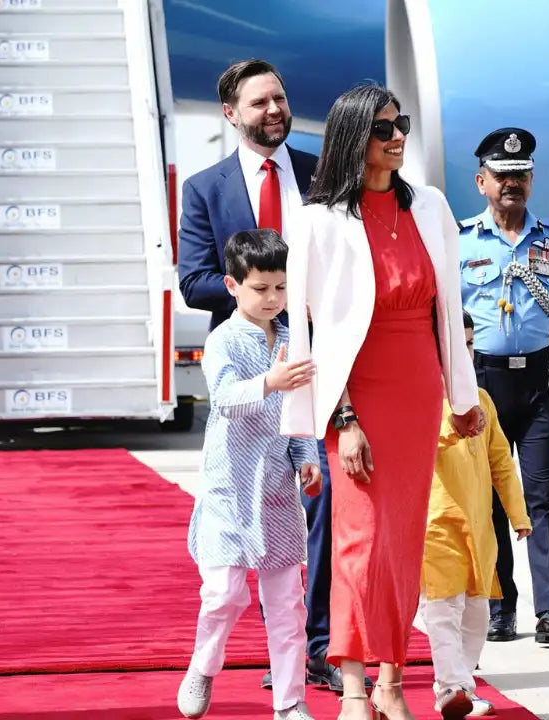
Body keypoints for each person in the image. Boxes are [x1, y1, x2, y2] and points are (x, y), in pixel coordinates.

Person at [279, 83, 484, 720]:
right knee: (358, 540)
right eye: (384, 129)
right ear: (353, 138)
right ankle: (353, 689)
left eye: (402, 126)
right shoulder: (316, 220)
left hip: (417, 387)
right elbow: (310, 328)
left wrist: (461, 395)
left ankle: (392, 684)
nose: (398, 138)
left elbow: (448, 310)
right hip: (355, 393)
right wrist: (342, 417)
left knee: (401, 541)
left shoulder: (431, 206)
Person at [175, 58, 339, 693]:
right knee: (251, 536)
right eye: (259, 102)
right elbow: (194, 281)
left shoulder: (322, 174)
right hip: (252, 361)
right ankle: (262, 654)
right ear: (230, 113)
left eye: (280, 98)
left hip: (324, 356)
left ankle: (316, 647)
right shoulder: (205, 189)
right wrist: (260, 292)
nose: (274, 110)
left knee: (323, 500)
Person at [176, 229, 322, 720]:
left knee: (287, 605)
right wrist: (269, 382)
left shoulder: (293, 339)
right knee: (222, 594)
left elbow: (299, 409)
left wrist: (306, 458)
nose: (273, 298)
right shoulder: (222, 340)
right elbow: (224, 400)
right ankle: (203, 666)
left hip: (278, 490)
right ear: (232, 285)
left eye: (281, 287)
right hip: (230, 489)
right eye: (261, 288)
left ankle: (290, 702)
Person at [458, 127, 549, 645]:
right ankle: (499, 607)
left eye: (521, 175)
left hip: (540, 382)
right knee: (488, 497)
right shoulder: (461, 242)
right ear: (482, 182)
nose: (512, 183)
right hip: (483, 381)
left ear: (531, 180)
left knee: (544, 498)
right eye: (502, 175)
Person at [419, 312, 533, 719]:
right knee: (442, 609)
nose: (464, 353)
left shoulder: (482, 399)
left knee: (477, 614)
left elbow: (501, 461)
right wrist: (453, 425)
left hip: (480, 529)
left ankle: (461, 686)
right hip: (436, 525)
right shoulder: (420, 397)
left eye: (469, 344)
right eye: (456, 344)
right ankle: (452, 687)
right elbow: (417, 447)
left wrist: (518, 513)